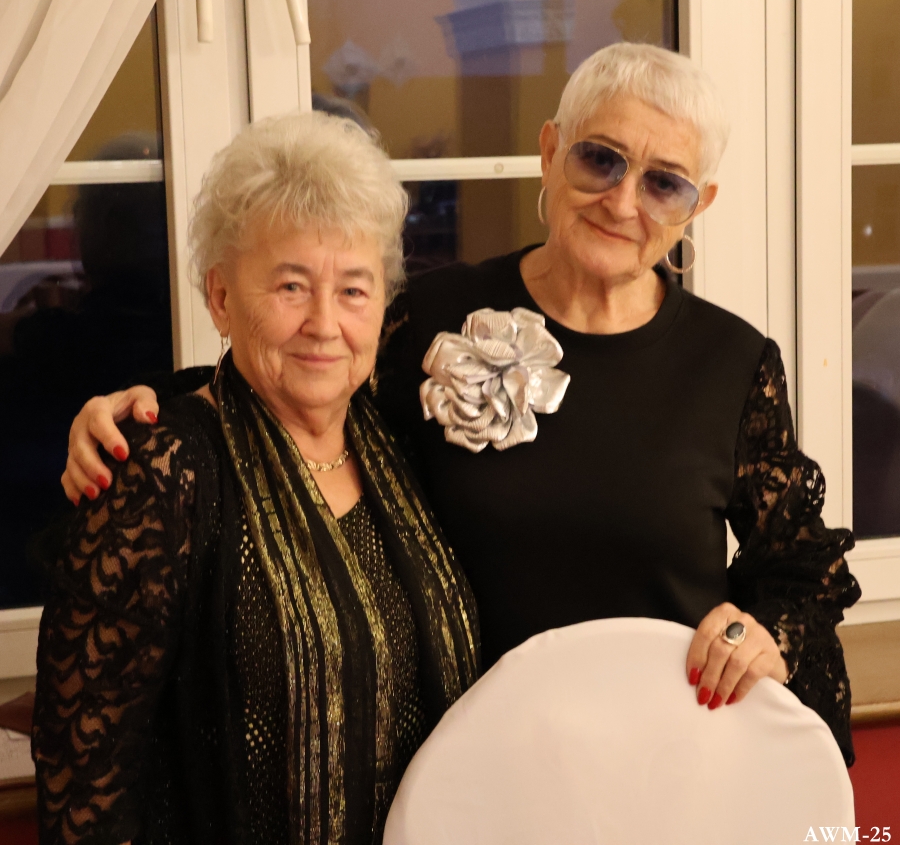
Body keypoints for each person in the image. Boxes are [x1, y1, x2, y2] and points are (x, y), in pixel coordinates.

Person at [60, 43, 860, 765]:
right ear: (550, 152)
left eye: (663, 183)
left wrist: (764, 635)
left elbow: (800, 571)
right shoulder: (435, 318)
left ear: (698, 204)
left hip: (666, 761)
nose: (623, 203)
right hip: (468, 773)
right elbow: (306, 382)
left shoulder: (734, 363)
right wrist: (152, 409)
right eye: (600, 159)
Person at [32, 111, 479, 845]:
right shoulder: (160, 477)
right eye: (291, 286)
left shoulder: (399, 442)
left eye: (354, 291)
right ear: (220, 298)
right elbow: (84, 786)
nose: (325, 324)